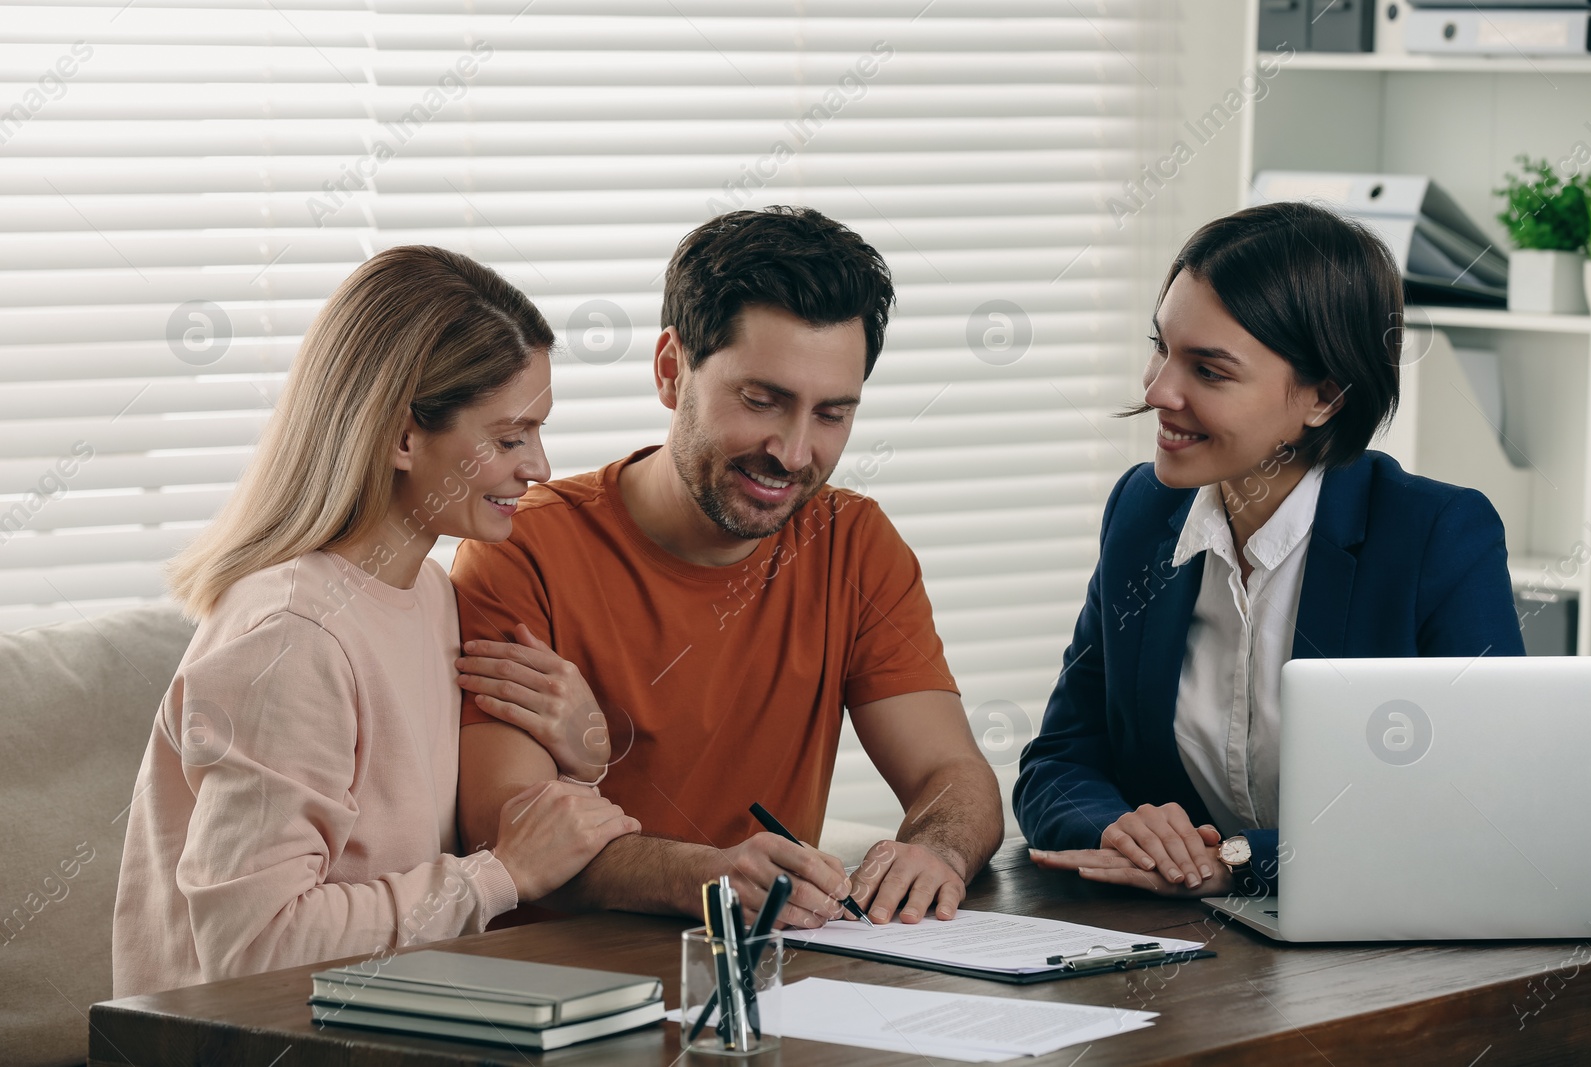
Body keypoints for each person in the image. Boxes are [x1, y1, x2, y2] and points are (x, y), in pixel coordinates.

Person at [452, 206, 1004, 931]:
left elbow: (955, 777)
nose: (795, 452)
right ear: (671, 371)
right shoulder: (522, 546)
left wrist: (934, 850)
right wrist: (705, 876)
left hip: (769, 984)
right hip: (568, 995)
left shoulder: (855, 545)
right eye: (762, 400)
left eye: (832, 413)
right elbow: (506, 832)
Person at [112, 246, 639, 997]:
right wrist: (500, 875)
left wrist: (580, 746)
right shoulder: (293, 635)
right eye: (510, 437)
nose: (541, 467)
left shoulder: (428, 592)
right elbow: (254, 949)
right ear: (402, 437)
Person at [1015, 202, 1524, 898]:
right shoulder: (1143, 510)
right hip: (1187, 947)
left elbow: (1482, 806)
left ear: (1323, 395)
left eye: (1209, 370)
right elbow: (1060, 757)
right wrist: (1120, 830)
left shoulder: (1437, 537)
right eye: (1160, 347)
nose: (1158, 388)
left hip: (1381, 952)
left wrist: (1237, 861)